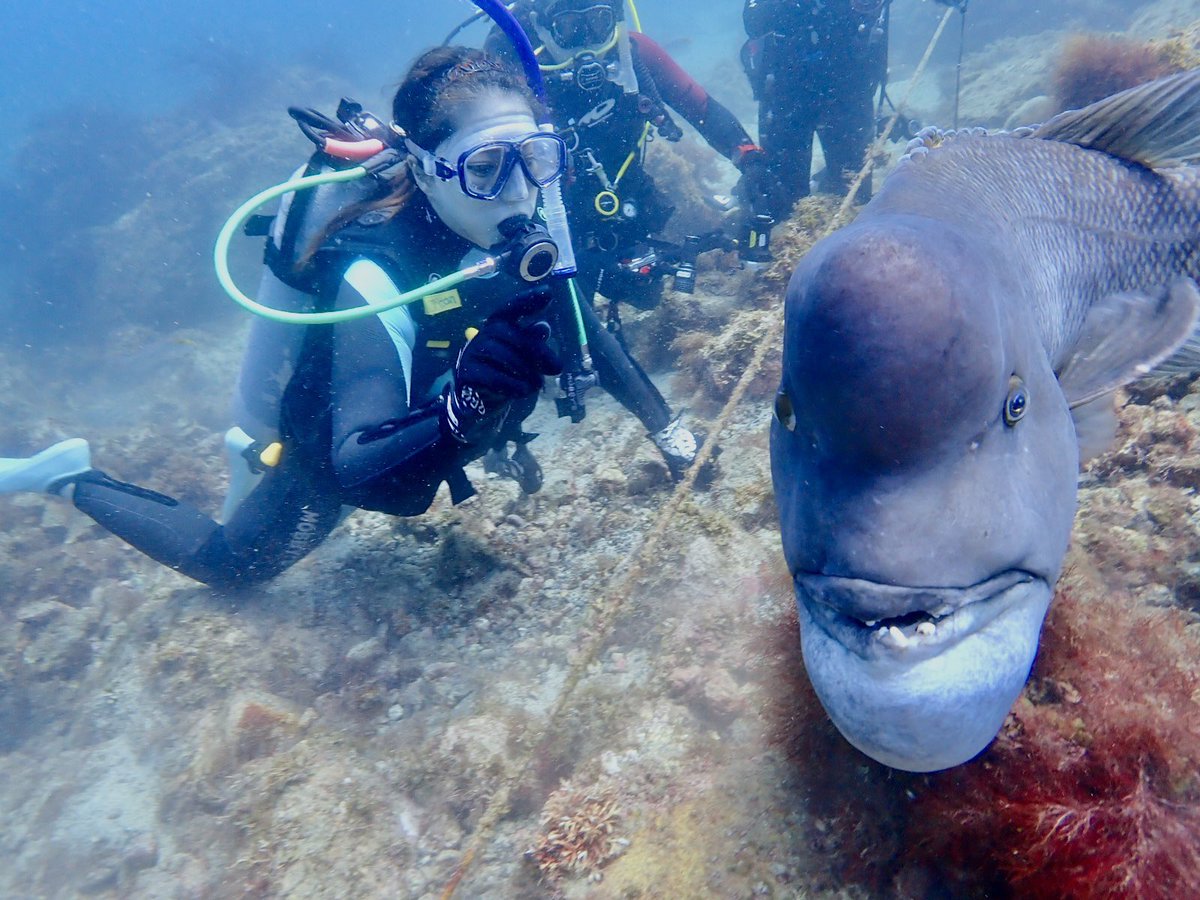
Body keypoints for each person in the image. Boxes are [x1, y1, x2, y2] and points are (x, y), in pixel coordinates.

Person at [0, 47, 567, 587]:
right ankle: (68, 476)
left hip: (422, 407)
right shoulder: (372, 281)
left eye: (535, 159)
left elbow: (584, 337)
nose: (519, 193)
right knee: (232, 567)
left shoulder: (528, 237)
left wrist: (661, 432)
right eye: (487, 166)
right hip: (338, 436)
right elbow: (358, 470)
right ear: (424, 172)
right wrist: (463, 411)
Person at [486, 0, 773, 476]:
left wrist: (749, 157)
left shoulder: (635, 55)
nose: (587, 44)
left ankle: (605, 320)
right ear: (540, 24)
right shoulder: (512, 75)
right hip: (543, 231)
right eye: (570, 27)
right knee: (554, 331)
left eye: (598, 23)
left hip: (618, 214)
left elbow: (702, 107)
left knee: (640, 289)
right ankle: (669, 435)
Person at [741, 0, 889, 214]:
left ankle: (825, 185)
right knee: (784, 204)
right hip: (786, 92)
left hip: (847, 89)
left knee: (855, 199)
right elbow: (754, 22)